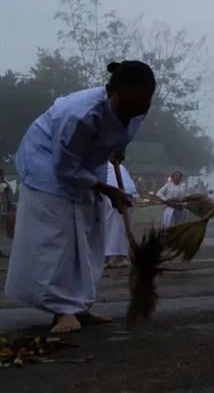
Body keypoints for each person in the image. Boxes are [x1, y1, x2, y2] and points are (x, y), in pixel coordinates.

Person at [4, 61, 154, 333]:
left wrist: (118, 148)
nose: (137, 110)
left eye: (144, 103)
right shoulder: (78, 115)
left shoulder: (138, 109)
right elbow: (65, 168)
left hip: (87, 164)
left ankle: (79, 306)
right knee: (60, 239)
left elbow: (121, 134)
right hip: (47, 166)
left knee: (88, 235)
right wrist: (108, 189)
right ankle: (62, 312)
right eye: (132, 104)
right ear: (114, 93)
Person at [103, 161, 139, 268]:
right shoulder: (105, 165)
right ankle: (108, 257)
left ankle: (118, 256)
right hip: (113, 197)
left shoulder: (118, 167)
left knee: (118, 228)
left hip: (123, 197)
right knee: (110, 227)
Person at [1, 168, 16, 257]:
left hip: (6, 212)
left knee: (7, 232)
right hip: (5, 211)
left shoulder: (5, 185)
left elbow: (9, 199)